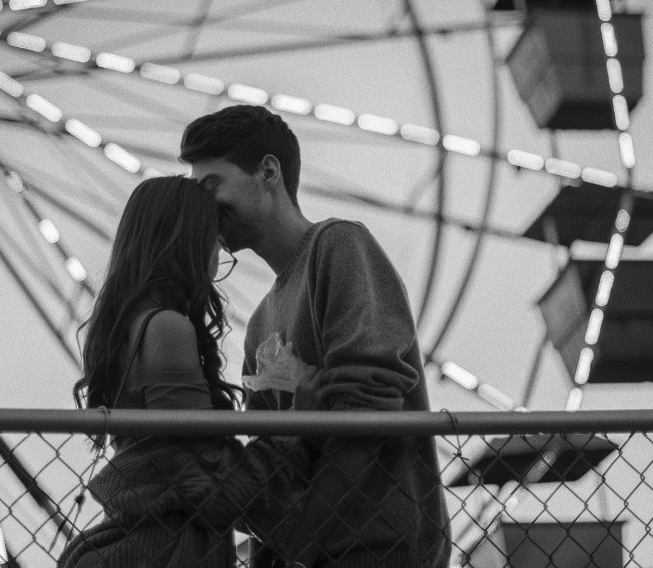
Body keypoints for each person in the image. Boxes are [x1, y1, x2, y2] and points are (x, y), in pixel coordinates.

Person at [180, 105, 451, 568]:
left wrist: (300, 548)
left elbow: (368, 416)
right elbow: (272, 464)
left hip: (375, 548)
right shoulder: (261, 326)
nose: (204, 209)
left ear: (268, 171)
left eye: (212, 186)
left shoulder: (340, 247)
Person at [59, 175, 311, 568]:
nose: (219, 252)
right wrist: (299, 420)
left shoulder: (128, 326)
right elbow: (215, 488)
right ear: (189, 241)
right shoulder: (166, 328)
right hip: (167, 552)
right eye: (216, 239)